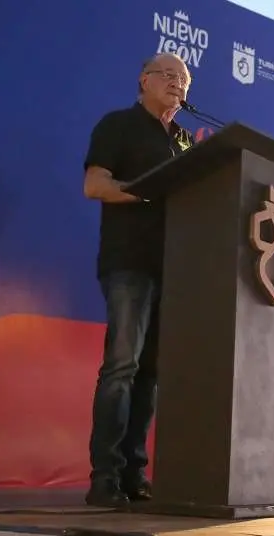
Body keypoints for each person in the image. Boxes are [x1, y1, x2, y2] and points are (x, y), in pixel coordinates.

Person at [81, 52, 194, 508]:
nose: (177, 84)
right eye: (167, 75)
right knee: (122, 368)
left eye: (183, 79)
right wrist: (146, 191)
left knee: (150, 374)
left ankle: (134, 473)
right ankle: (103, 477)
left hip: (178, 270)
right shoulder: (118, 125)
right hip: (129, 263)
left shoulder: (186, 140)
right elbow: (95, 185)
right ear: (143, 80)